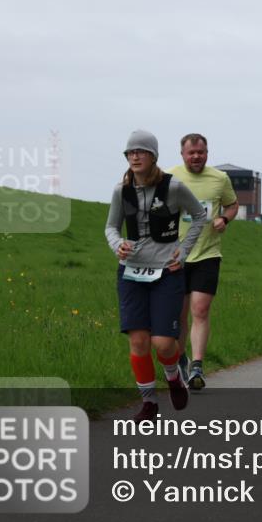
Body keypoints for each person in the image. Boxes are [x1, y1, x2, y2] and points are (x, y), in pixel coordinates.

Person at [105, 130, 207, 422]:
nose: (135, 156)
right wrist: (118, 245)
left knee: (164, 344)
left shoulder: (173, 187)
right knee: (138, 341)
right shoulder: (120, 190)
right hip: (131, 272)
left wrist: (184, 250)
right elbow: (111, 227)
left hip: (166, 271)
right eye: (130, 152)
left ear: (154, 156)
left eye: (141, 151)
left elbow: (200, 216)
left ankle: (174, 377)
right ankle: (149, 403)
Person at [168, 133, 239, 390]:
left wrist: (225, 219)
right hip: (176, 256)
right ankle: (181, 357)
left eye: (201, 152)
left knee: (200, 309)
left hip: (208, 254)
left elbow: (232, 205)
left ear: (207, 153)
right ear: (182, 154)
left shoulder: (220, 179)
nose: (196, 156)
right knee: (180, 313)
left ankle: (197, 365)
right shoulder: (170, 177)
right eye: (191, 153)